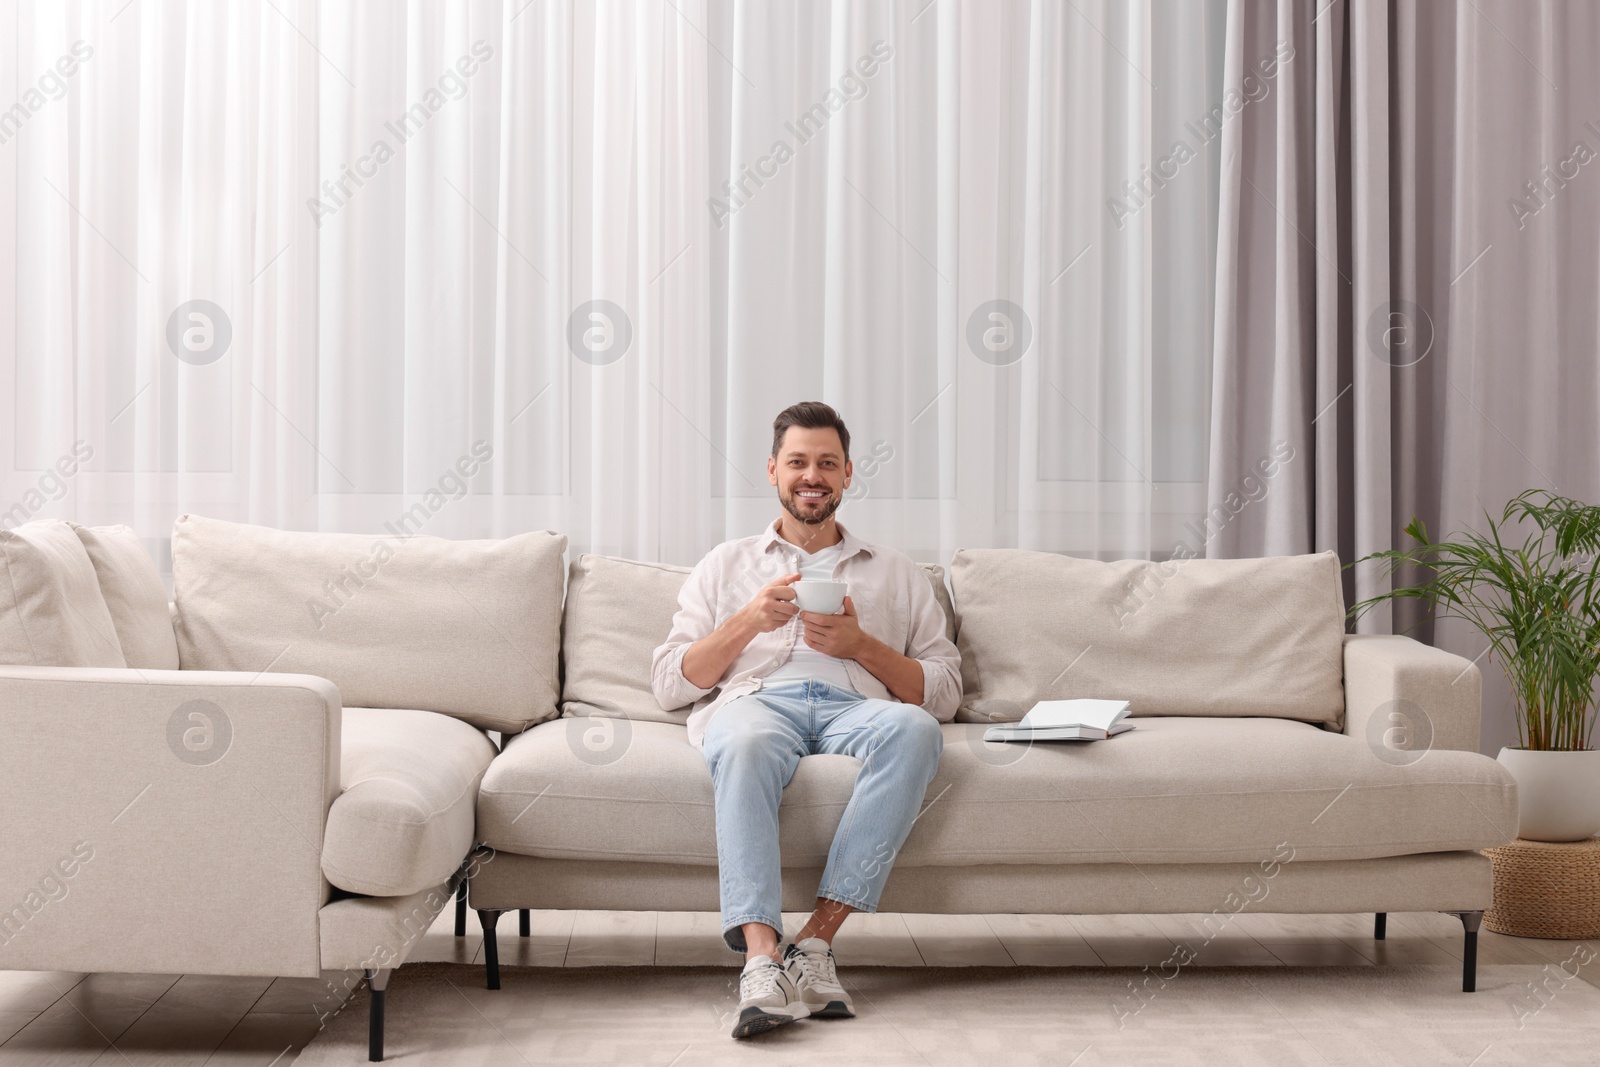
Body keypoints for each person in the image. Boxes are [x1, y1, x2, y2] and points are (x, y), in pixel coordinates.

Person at [651, 401, 962, 1039]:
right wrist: (746, 621)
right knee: (742, 743)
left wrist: (861, 647)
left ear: (848, 474)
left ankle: (815, 945)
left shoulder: (897, 571)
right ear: (773, 471)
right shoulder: (724, 565)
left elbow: (945, 692)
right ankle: (762, 960)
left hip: (857, 706)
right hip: (755, 701)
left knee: (917, 731)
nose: (811, 475)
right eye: (797, 462)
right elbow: (667, 684)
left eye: (826, 463)